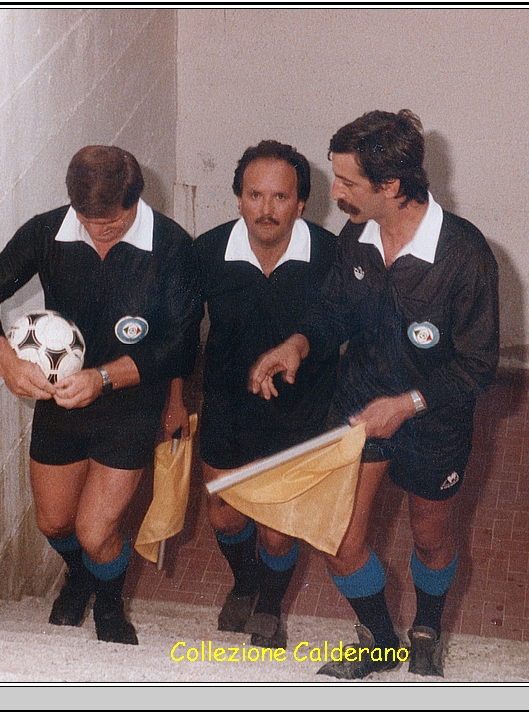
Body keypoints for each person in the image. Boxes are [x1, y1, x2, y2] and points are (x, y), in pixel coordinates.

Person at [249, 111, 499, 678]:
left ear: (391, 187)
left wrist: (407, 404)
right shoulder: (357, 236)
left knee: (432, 535)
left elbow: (479, 367)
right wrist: (298, 343)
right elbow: (336, 311)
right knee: (338, 538)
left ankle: (427, 628)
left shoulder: (465, 256)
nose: (333, 192)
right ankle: (381, 642)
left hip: (434, 420)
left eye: (347, 182)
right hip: (361, 406)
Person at [0, 146, 198, 645]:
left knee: (95, 531)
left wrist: (103, 378)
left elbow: (180, 344)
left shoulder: (173, 246)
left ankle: (110, 607)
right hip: (62, 400)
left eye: (111, 223)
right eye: (87, 221)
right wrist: (7, 362)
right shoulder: (46, 231)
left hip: (129, 401)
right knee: (54, 523)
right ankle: (81, 576)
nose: (98, 232)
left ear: (137, 200)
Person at [193, 141, 339, 650]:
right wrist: (172, 400)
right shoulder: (207, 253)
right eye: (255, 195)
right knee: (225, 516)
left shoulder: (332, 256)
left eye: (281, 197)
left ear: (301, 204)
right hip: (227, 407)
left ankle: (271, 607)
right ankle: (244, 582)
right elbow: (181, 333)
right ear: (238, 199)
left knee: (277, 531)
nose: (266, 209)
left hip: (300, 412)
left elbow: (344, 327)